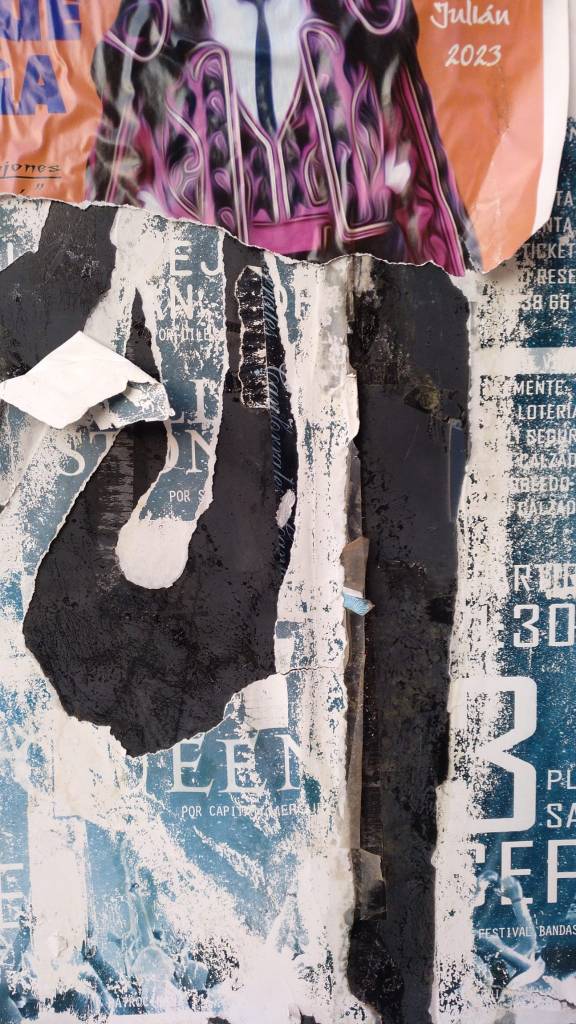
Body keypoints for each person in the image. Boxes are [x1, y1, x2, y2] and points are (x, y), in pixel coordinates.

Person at [86, 0, 477, 270]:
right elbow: (111, 202)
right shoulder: (147, 39)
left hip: (361, 297)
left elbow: (427, 186)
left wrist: (458, 304)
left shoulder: (369, 20)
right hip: (206, 303)